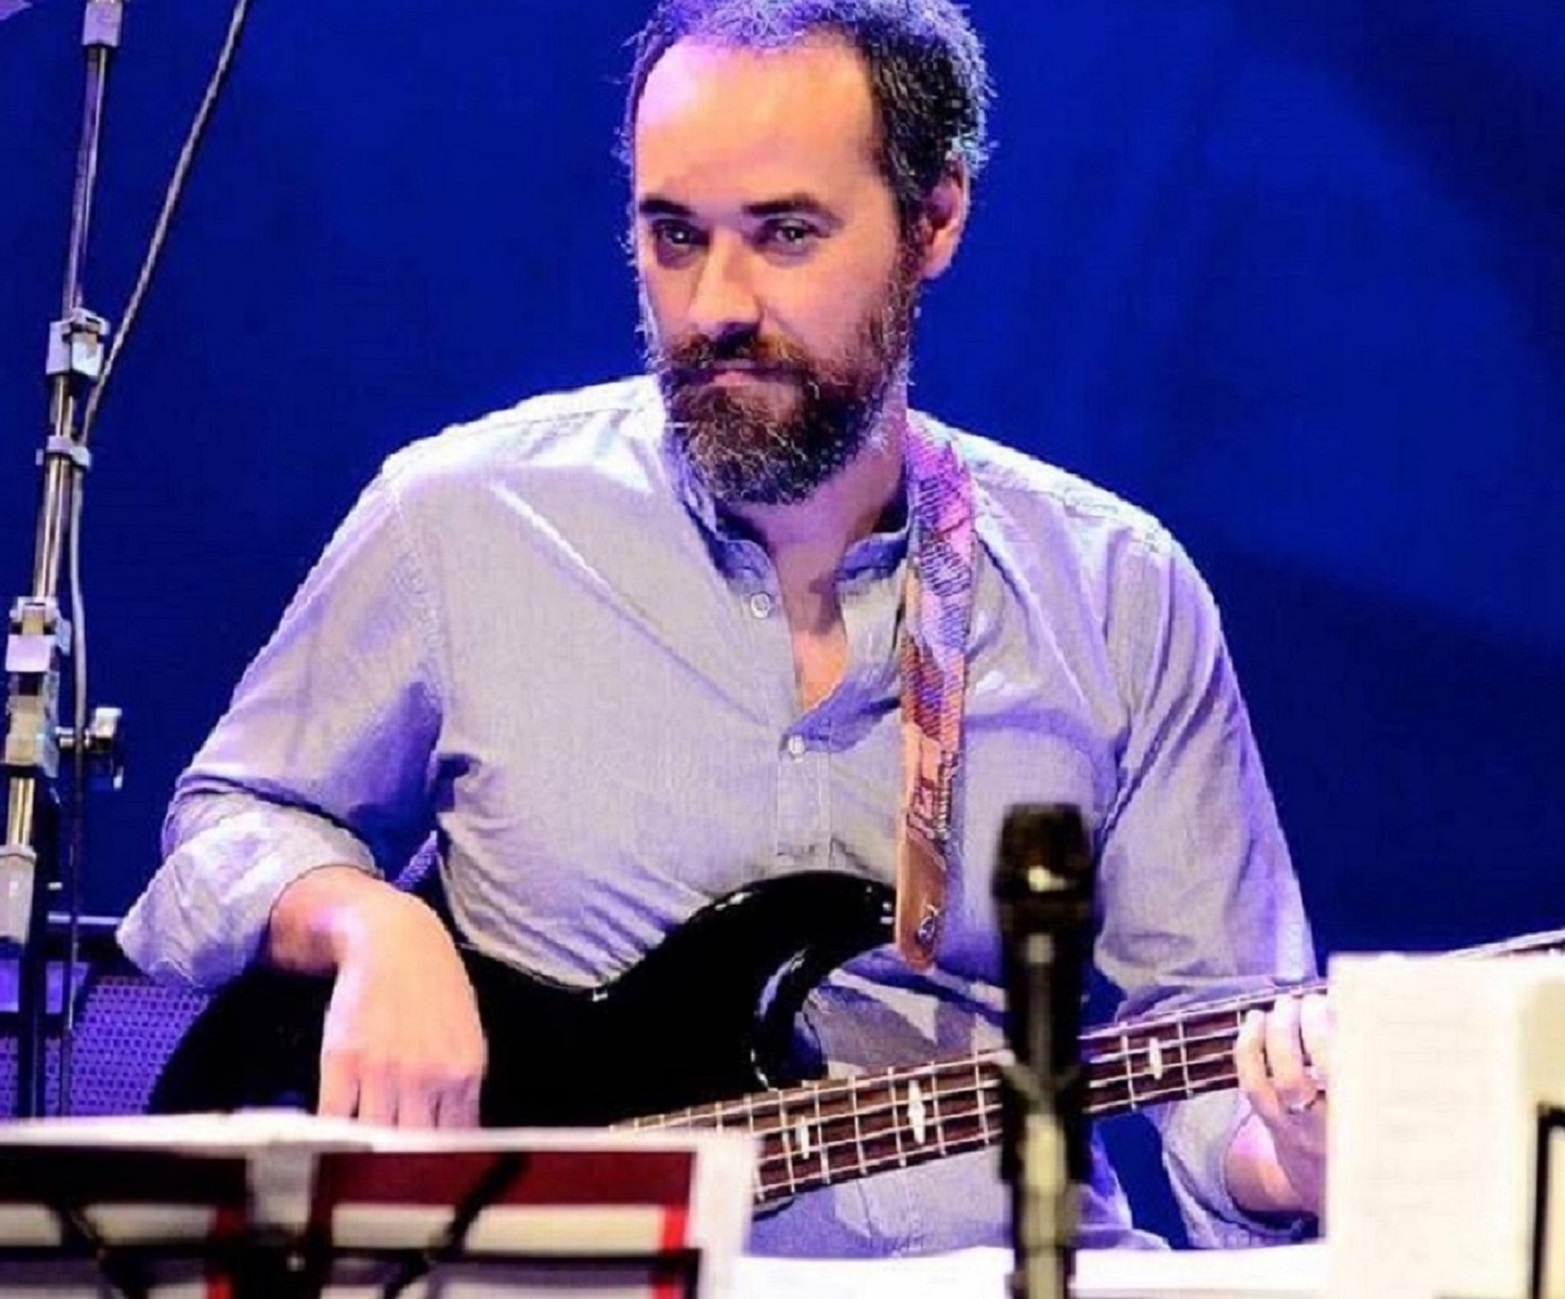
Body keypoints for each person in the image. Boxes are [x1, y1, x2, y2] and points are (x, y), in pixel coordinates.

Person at [119, 0, 1330, 1258]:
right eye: (674, 236)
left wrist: (1290, 1149)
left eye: (785, 234)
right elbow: (227, 824)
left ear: (934, 220)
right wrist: (369, 924)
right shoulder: (461, 520)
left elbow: (1222, 1043)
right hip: (574, 1280)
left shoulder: (1117, 591)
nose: (715, 304)